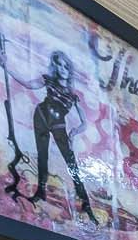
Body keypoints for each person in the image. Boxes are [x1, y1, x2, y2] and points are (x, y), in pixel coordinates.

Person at [26, 49, 98, 224]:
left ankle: (85, 202)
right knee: (42, 155)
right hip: (41, 116)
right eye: (59, 64)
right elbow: (29, 84)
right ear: (55, 67)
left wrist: (74, 132)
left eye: (65, 65)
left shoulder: (73, 96)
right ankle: (40, 191)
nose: (62, 68)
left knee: (71, 162)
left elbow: (84, 122)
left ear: (69, 69)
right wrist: (6, 67)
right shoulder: (48, 81)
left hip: (59, 124)